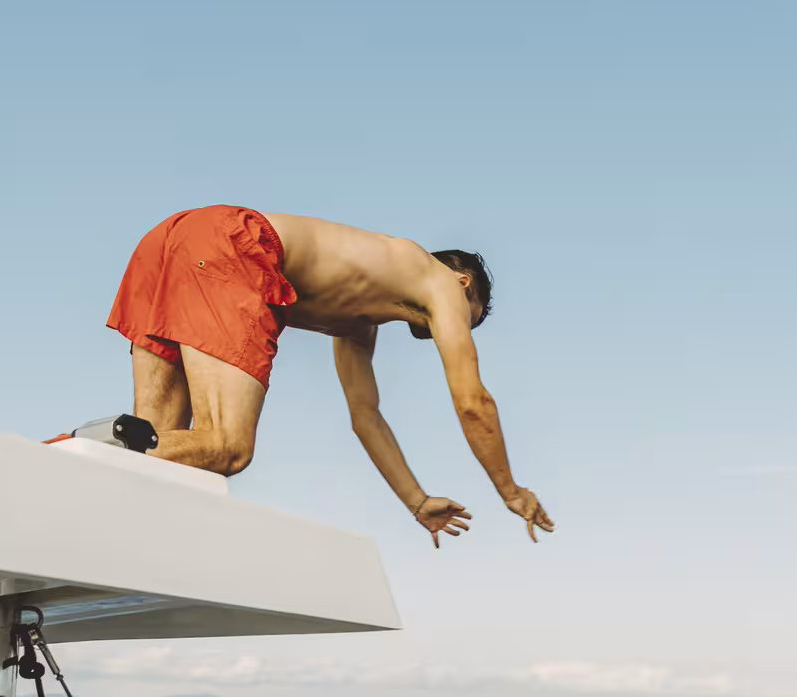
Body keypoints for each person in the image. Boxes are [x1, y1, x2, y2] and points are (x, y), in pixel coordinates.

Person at [107, 202, 554, 547]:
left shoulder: (359, 317)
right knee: (227, 447)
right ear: (465, 284)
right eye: (471, 319)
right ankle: (68, 456)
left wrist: (416, 501)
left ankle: (72, 470)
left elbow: (366, 416)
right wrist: (511, 491)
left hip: (175, 238)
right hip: (234, 244)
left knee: (155, 454)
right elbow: (474, 402)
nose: (460, 328)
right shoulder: (442, 282)